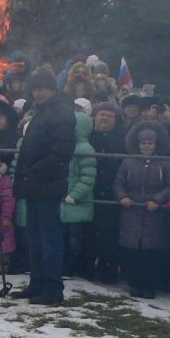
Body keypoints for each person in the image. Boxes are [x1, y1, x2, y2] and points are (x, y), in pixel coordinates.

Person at [12, 71, 77, 305]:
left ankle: (52, 288)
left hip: (47, 184)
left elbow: (60, 153)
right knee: (35, 237)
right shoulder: (41, 112)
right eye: (35, 89)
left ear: (52, 89)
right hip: (34, 184)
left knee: (50, 238)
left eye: (42, 89)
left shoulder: (62, 113)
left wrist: (34, 172)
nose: (37, 93)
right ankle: (37, 283)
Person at [113, 121, 170, 299]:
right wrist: (122, 196)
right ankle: (134, 283)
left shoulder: (164, 163)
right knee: (133, 252)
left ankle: (149, 285)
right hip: (132, 211)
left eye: (150, 143)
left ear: (156, 145)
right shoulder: (128, 162)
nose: (146, 146)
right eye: (143, 143)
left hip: (154, 213)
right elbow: (118, 183)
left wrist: (157, 199)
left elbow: (168, 186)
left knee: (151, 253)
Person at [83, 103, 127, 283]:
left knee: (109, 232)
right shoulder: (88, 137)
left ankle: (108, 268)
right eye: (102, 114)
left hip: (111, 190)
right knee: (88, 231)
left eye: (110, 116)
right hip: (89, 189)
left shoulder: (122, 140)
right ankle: (86, 267)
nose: (105, 118)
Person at [60, 111, 97, 276]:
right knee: (64, 238)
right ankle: (64, 267)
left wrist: (75, 195)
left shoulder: (84, 148)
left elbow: (88, 177)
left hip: (76, 202)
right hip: (65, 201)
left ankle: (71, 268)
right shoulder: (69, 146)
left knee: (74, 240)